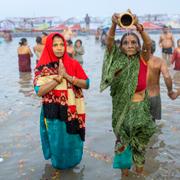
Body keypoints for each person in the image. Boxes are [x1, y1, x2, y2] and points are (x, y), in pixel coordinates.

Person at [100, 11, 156, 176]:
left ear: (138, 46)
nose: (130, 45)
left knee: (140, 150)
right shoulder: (116, 60)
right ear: (121, 46)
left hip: (141, 112)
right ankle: (125, 176)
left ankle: (138, 176)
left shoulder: (143, 58)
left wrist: (139, 27)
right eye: (126, 43)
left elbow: (148, 42)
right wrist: (114, 24)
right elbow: (109, 43)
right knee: (123, 150)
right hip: (122, 114)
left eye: (133, 42)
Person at [33, 32, 90, 170]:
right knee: (56, 141)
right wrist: (57, 79)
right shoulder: (42, 68)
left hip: (72, 110)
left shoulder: (73, 64)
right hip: (53, 112)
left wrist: (67, 76)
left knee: (72, 140)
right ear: (49, 47)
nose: (59, 48)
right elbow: (39, 91)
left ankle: (71, 169)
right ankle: (58, 168)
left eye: (61, 44)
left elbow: (86, 84)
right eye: (55, 45)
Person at [147, 40, 177, 122]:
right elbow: (167, 77)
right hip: (154, 96)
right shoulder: (160, 61)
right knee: (152, 123)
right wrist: (170, 91)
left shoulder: (138, 60)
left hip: (139, 97)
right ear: (154, 49)